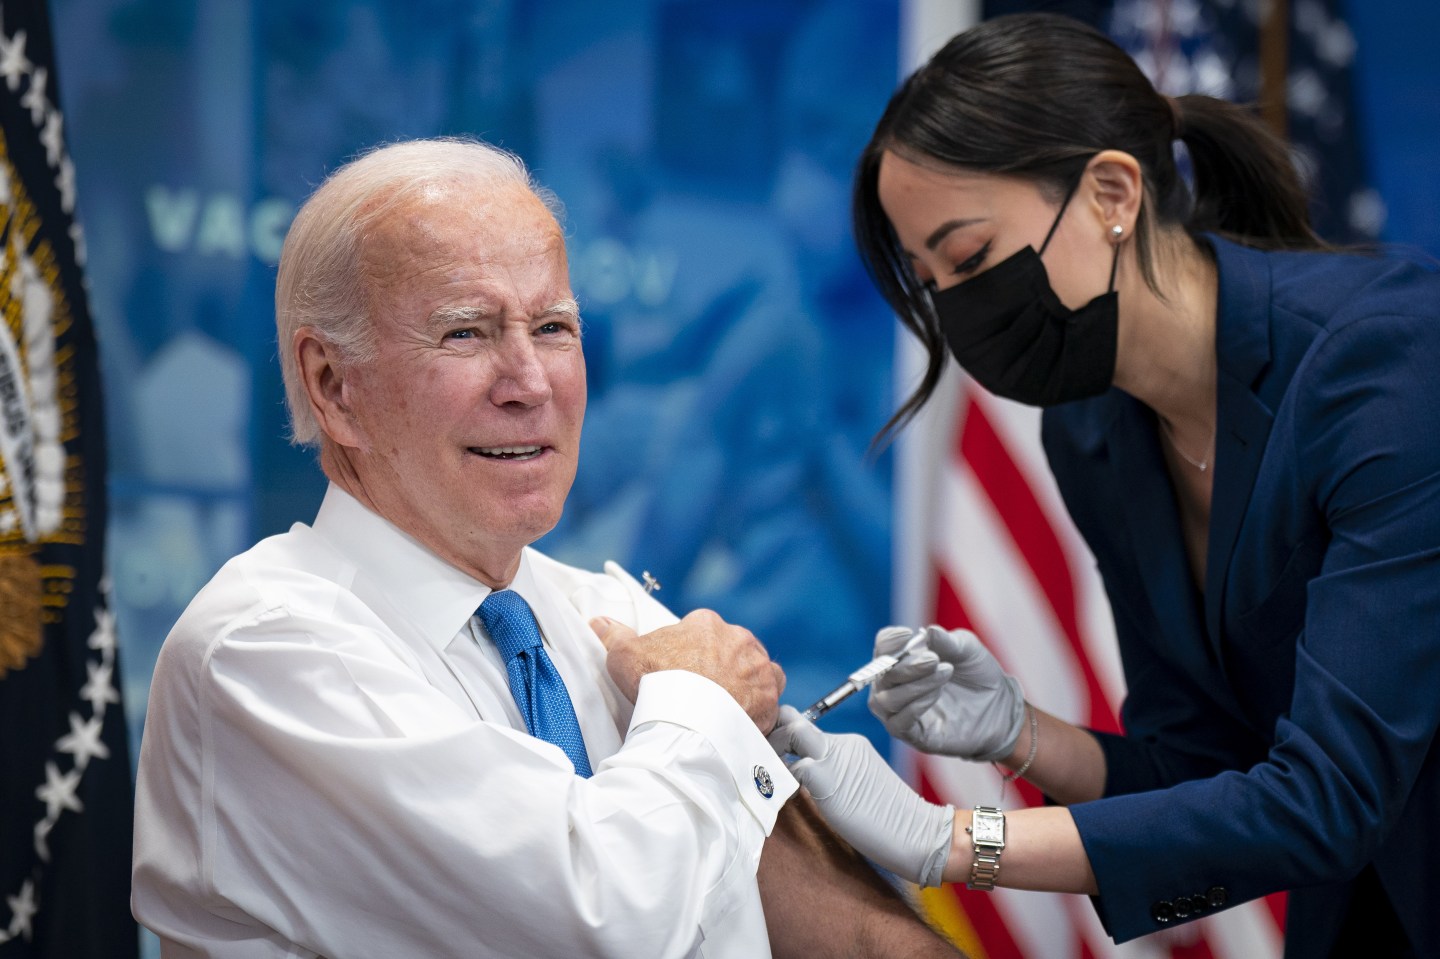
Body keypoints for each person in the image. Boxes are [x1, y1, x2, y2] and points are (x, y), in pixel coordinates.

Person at [130, 138, 964, 959]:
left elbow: (840, 926)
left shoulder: (608, 613)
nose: (532, 382)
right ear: (333, 385)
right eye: (466, 332)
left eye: (554, 326)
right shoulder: (262, 650)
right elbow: (605, 924)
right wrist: (703, 709)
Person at [768, 12, 1440, 959]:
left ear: (1112, 192)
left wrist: (953, 841)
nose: (959, 310)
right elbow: (1203, 769)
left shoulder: (1385, 366)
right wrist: (1021, 735)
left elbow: (1327, 795)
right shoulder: (1095, 428)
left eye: (969, 260)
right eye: (930, 282)